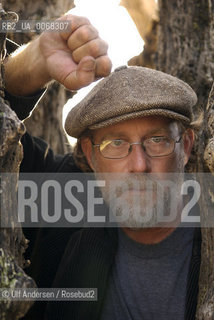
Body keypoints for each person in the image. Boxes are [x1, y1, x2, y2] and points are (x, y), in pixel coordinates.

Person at [4, 14, 201, 320]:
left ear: (186, 146)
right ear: (90, 154)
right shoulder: (64, 202)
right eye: (116, 144)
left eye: (157, 140)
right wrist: (37, 59)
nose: (139, 165)